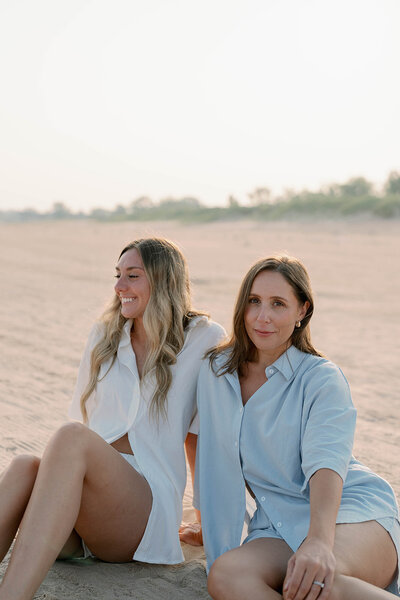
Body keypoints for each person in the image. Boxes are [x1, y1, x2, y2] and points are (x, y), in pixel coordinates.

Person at [0, 237, 224, 600]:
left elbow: (199, 436)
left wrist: (203, 519)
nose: (119, 286)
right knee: (26, 465)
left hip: (142, 507)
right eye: (118, 275)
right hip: (90, 510)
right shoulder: (105, 333)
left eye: (132, 276)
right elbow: (83, 424)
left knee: (72, 438)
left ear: (163, 280)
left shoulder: (202, 337)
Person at [195, 255, 400, 600]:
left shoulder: (321, 378)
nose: (263, 317)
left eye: (278, 304)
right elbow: (213, 460)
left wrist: (319, 542)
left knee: (319, 583)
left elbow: (326, 461)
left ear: (302, 311)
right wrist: (209, 532)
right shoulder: (216, 371)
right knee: (225, 576)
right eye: (254, 302)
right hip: (275, 523)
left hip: (347, 512)